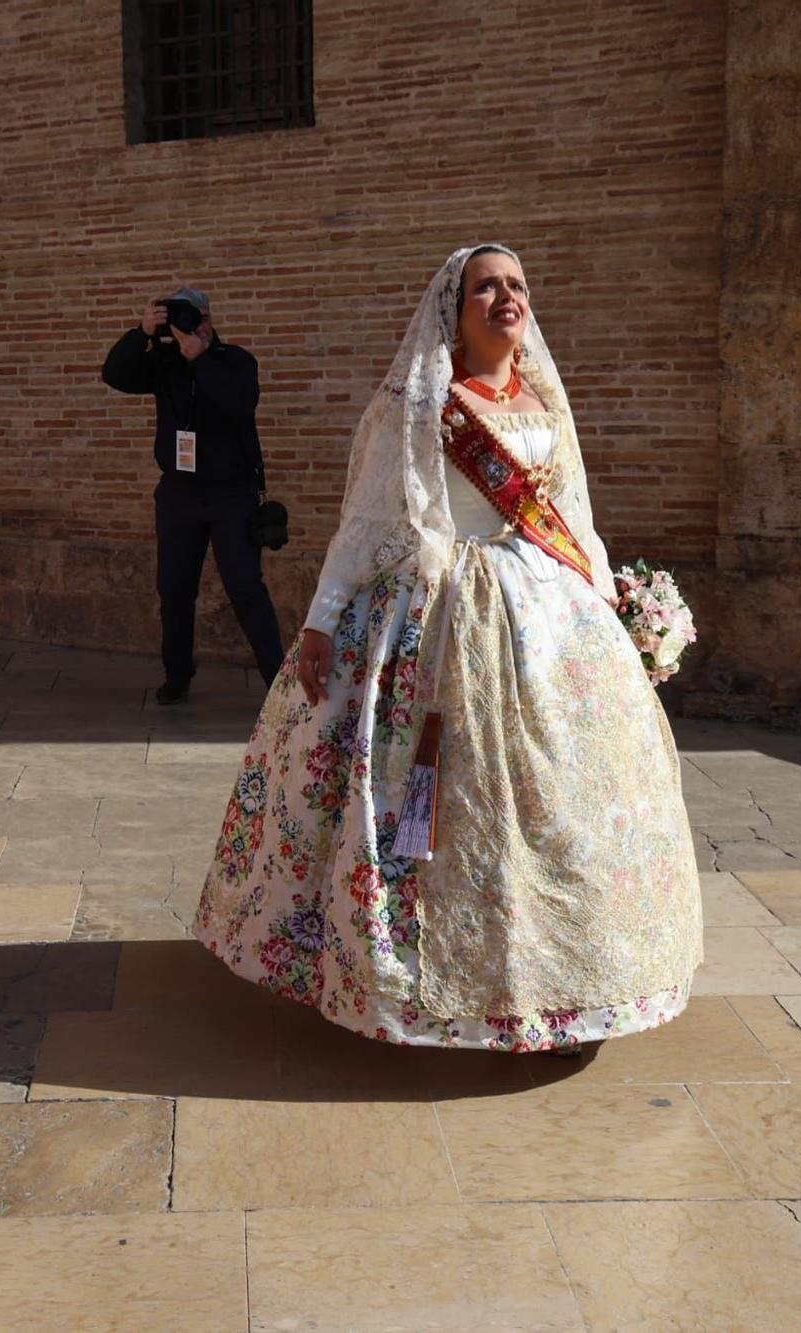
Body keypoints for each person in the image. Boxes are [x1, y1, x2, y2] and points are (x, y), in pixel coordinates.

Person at [194, 245, 702, 1053]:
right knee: (443, 807)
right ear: (452, 308)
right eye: (486, 286)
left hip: (549, 617)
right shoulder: (421, 403)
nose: (506, 296)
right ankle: (425, 986)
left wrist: (616, 605)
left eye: (518, 285)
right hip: (440, 613)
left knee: (570, 799)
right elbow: (366, 521)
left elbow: (572, 513)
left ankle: (579, 979)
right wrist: (324, 618)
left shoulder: (542, 398)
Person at [103, 286, 284, 704]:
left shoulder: (235, 361)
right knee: (175, 588)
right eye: (179, 317)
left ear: (209, 319)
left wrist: (200, 358)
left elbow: (239, 403)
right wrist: (141, 333)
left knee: (246, 588)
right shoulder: (163, 363)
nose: (190, 325)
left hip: (231, 496)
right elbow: (115, 375)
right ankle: (177, 675)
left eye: (196, 317)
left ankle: (279, 685)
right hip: (178, 496)